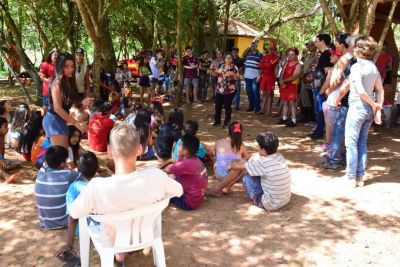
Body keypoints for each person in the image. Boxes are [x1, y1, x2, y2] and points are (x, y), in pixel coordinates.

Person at [68, 123, 183, 265]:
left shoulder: (97, 187)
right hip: (144, 235)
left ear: (110, 151)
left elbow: (73, 212)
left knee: (90, 220)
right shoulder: (156, 176)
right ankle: (121, 255)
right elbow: (179, 190)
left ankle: (119, 255)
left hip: (112, 242)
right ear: (140, 149)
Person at [343, 36, 384, 187]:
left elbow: (360, 92)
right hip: (368, 111)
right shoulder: (374, 67)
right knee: (362, 143)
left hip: (357, 107)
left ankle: (351, 177)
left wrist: (374, 105)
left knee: (351, 144)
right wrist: (376, 107)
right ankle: (360, 177)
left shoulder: (356, 67)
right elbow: (380, 90)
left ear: (359, 50)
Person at [55, 151, 99, 265]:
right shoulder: (103, 184)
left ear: (78, 170)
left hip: (82, 230)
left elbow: (72, 217)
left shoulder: (73, 188)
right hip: (104, 228)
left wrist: (69, 244)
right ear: (97, 168)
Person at [320, 34, 355, 171]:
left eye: (338, 43)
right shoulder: (355, 59)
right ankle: (343, 158)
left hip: (340, 100)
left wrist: (329, 91)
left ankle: (334, 160)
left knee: (337, 131)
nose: (337, 46)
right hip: (347, 100)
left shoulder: (344, 59)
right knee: (346, 132)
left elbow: (337, 81)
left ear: (343, 44)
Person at [42, 52, 86, 148]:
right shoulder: (57, 83)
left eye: (72, 66)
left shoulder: (69, 81)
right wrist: (75, 123)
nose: (71, 69)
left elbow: (74, 104)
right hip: (53, 120)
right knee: (61, 156)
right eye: (67, 67)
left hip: (62, 120)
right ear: (60, 67)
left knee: (62, 155)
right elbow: (58, 108)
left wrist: (84, 104)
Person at [237, 132, 291, 211]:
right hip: (285, 200)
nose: (257, 148)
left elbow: (240, 166)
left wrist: (231, 165)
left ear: (263, 149)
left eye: (258, 147)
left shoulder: (263, 163)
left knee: (247, 176)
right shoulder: (279, 157)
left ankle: (256, 199)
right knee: (256, 171)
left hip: (269, 204)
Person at [34, 145, 80, 229]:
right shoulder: (67, 174)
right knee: (78, 186)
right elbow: (82, 176)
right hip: (63, 221)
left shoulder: (41, 171)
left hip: (45, 222)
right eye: (65, 161)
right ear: (62, 164)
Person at [162, 134, 208, 210]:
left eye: (179, 145)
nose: (177, 147)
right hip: (198, 198)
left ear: (185, 151)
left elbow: (166, 170)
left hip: (188, 202)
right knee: (173, 176)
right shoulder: (194, 159)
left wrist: (157, 170)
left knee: (165, 183)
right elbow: (173, 161)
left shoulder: (185, 164)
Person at [318, 48, 343, 154]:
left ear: (339, 57)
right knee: (328, 123)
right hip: (331, 99)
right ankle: (329, 144)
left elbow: (333, 83)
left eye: (334, 55)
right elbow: (327, 82)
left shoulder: (339, 69)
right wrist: (323, 91)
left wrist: (324, 91)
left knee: (331, 124)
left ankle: (332, 146)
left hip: (335, 99)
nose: (331, 57)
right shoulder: (334, 69)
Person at [310, 33, 334, 139]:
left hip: (321, 88)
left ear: (322, 41)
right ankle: (319, 129)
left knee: (320, 110)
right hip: (319, 86)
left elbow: (328, 72)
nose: (315, 43)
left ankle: (320, 132)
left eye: (317, 41)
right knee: (318, 110)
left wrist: (323, 88)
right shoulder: (325, 54)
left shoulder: (326, 54)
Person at [211, 53, 240, 128]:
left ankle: (227, 123)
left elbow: (237, 78)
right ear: (224, 59)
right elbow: (216, 74)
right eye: (227, 58)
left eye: (230, 58)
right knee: (218, 105)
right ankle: (217, 121)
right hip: (220, 89)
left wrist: (233, 74)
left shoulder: (234, 67)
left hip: (229, 90)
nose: (228, 59)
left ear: (232, 59)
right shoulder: (221, 66)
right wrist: (210, 71)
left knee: (227, 106)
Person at [277, 48, 302, 127]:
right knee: (284, 101)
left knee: (292, 103)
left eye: (292, 54)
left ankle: (293, 120)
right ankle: (284, 118)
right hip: (285, 84)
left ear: (296, 55)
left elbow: (295, 76)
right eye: (289, 54)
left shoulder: (298, 64)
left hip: (293, 85)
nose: (290, 56)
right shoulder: (287, 63)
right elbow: (282, 72)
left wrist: (284, 81)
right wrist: (281, 81)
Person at [258, 43, 280, 115]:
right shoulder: (265, 56)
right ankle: (262, 109)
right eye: (270, 49)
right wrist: (260, 76)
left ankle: (269, 110)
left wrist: (265, 65)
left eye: (273, 49)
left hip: (271, 77)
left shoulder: (276, 57)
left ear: (275, 50)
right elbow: (261, 66)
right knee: (263, 93)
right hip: (264, 77)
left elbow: (271, 65)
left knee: (270, 93)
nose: (271, 50)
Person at [299, 42, 318, 123]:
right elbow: (304, 67)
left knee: (311, 98)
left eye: (310, 46)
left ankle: (312, 117)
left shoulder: (317, 56)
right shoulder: (307, 56)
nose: (308, 47)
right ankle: (304, 115)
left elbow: (314, 68)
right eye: (307, 46)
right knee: (304, 97)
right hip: (303, 79)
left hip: (311, 80)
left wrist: (307, 76)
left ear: (314, 46)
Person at [243, 42, 263, 113]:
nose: (253, 47)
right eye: (252, 46)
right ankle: (251, 106)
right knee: (249, 91)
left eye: (254, 46)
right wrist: (244, 74)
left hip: (255, 77)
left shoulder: (260, 55)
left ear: (257, 46)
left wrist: (260, 76)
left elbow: (261, 67)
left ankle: (257, 107)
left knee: (255, 92)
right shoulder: (248, 55)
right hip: (247, 76)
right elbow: (245, 65)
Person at [0, 117, 21, 183]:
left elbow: (2, 148)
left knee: (18, 163)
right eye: (5, 126)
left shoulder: (2, 135)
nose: (8, 128)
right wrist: (1, 160)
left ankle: (5, 167)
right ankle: (6, 176)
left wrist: (3, 161)